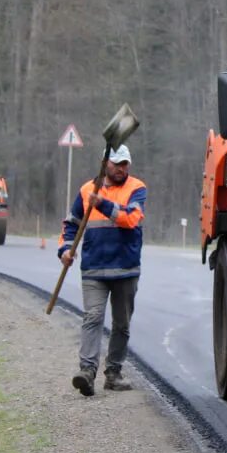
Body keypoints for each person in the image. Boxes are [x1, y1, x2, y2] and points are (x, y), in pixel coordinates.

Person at [58, 144, 147, 396]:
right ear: (105, 163)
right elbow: (71, 223)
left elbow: (131, 219)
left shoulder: (136, 189)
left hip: (125, 270)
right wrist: (65, 249)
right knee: (93, 317)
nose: (121, 169)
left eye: (125, 164)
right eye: (117, 163)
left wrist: (103, 204)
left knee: (121, 324)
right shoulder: (87, 189)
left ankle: (114, 373)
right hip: (93, 269)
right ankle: (87, 371)